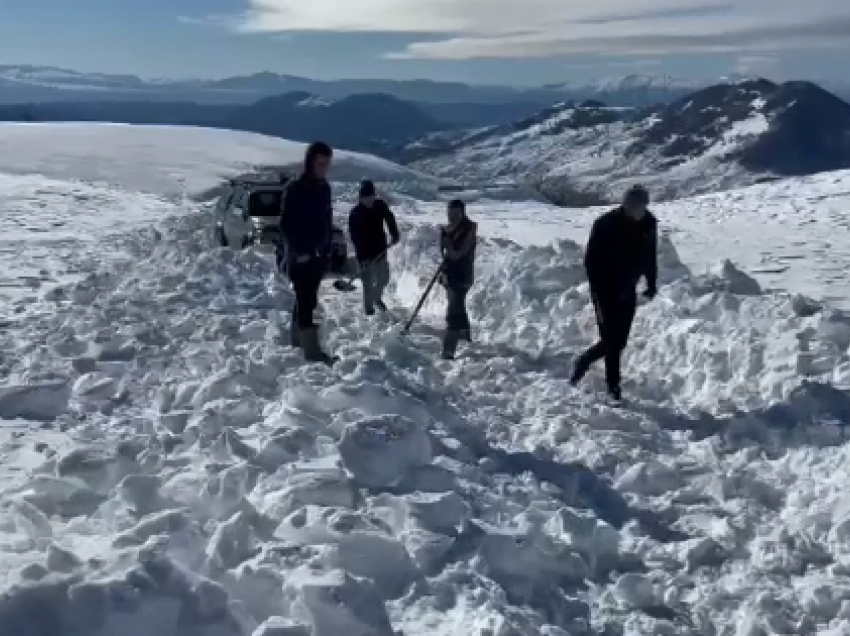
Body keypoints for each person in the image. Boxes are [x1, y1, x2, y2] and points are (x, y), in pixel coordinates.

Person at [570, 184, 658, 400]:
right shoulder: (605, 225)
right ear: (626, 205)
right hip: (605, 291)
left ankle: (584, 360)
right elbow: (592, 262)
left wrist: (651, 283)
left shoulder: (648, 224)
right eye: (635, 207)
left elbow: (649, 255)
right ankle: (613, 388)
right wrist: (603, 288)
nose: (639, 211)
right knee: (611, 339)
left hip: (628, 288)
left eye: (642, 207)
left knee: (619, 341)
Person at [279, 141, 335, 364]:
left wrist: (327, 249)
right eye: (321, 163)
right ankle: (310, 353)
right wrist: (300, 251)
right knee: (305, 301)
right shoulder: (295, 189)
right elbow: (286, 225)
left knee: (308, 300)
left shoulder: (325, 188)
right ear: (310, 162)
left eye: (327, 164)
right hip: (300, 257)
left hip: (319, 256)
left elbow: (327, 221)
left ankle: (297, 344)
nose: (324, 168)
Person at [348, 180, 400, 315]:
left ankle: (376, 298)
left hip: (380, 249)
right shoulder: (355, 213)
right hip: (364, 253)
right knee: (367, 283)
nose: (369, 200)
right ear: (361, 198)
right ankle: (369, 310)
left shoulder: (380, 206)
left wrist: (394, 234)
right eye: (366, 198)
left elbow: (390, 219)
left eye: (371, 197)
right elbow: (355, 238)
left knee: (384, 278)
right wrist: (363, 258)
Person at [439, 199, 477, 360]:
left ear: (462, 213)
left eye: (455, 214)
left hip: (463, 275)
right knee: (458, 305)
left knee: (452, 312)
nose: (452, 217)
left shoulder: (468, 230)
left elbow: (457, 254)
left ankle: (448, 350)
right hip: (450, 275)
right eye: (449, 213)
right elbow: (445, 256)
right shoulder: (448, 229)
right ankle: (466, 336)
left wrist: (447, 242)